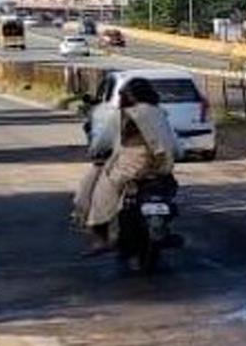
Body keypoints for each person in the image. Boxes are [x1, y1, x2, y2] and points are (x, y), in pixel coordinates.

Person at [73, 77, 181, 253]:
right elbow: (175, 145)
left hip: (130, 171)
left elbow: (102, 142)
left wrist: (95, 151)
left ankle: (102, 236)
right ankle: (160, 229)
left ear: (127, 97)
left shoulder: (122, 115)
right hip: (162, 169)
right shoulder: (160, 113)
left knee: (98, 192)